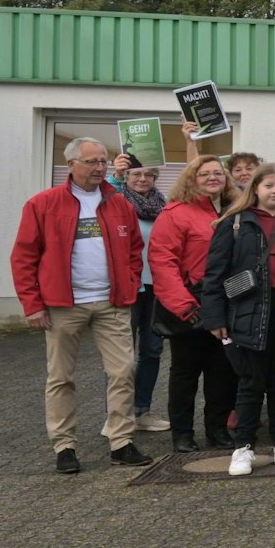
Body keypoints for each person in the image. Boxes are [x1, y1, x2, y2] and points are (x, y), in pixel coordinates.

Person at [11, 138, 154, 474]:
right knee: (61, 377)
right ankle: (64, 446)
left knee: (122, 371)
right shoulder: (43, 204)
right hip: (64, 304)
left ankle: (121, 442)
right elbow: (23, 257)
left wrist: (130, 281)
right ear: (71, 165)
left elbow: (134, 249)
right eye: (92, 162)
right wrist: (32, 304)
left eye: (103, 161)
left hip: (111, 303)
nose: (100, 168)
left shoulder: (119, 203)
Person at [201, 163, 275, 476]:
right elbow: (214, 273)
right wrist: (214, 317)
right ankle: (243, 447)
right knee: (251, 381)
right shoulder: (235, 222)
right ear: (255, 188)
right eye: (269, 186)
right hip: (250, 309)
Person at [149, 154, 241, 454]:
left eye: (218, 173)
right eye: (205, 174)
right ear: (192, 179)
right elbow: (163, 262)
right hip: (191, 304)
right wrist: (186, 307)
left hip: (226, 302)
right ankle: (182, 434)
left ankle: (217, 430)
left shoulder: (235, 211)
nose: (213, 178)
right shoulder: (175, 213)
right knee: (185, 373)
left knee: (223, 371)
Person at [109, 153, 170, 431]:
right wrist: (116, 175)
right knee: (121, 355)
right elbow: (102, 195)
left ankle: (142, 411)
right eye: (136, 174)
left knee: (152, 351)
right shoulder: (116, 202)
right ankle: (117, 416)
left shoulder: (163, 207)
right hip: (129, 287)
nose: (143, 179)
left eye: (148, 175)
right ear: (127, 178)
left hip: (157, 288)